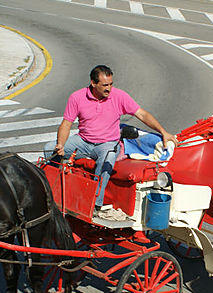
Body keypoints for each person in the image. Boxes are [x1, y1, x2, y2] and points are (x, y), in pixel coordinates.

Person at [45, 65, 177, 221]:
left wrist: (163, 132)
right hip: (83, 140)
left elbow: (142, 114)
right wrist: (60, 144)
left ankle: (95, 203)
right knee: (48, 149)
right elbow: (66, 124)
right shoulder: (77, 97)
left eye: (111, 84)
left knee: (107, 159)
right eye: (105, 85)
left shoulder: (119, 96)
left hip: (107, 144)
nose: (109, 88)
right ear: (93, 83)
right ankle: (53, 189)